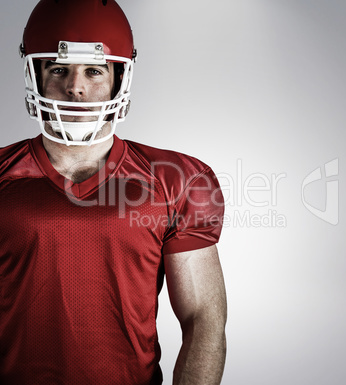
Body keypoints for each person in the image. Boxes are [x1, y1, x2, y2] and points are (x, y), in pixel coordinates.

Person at [0, 0, 227, 384]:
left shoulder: (176, 179)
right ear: (34, 75)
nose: (75, 88)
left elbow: (203, 317)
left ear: (119, 79)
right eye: (59, 69)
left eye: (93, 70)